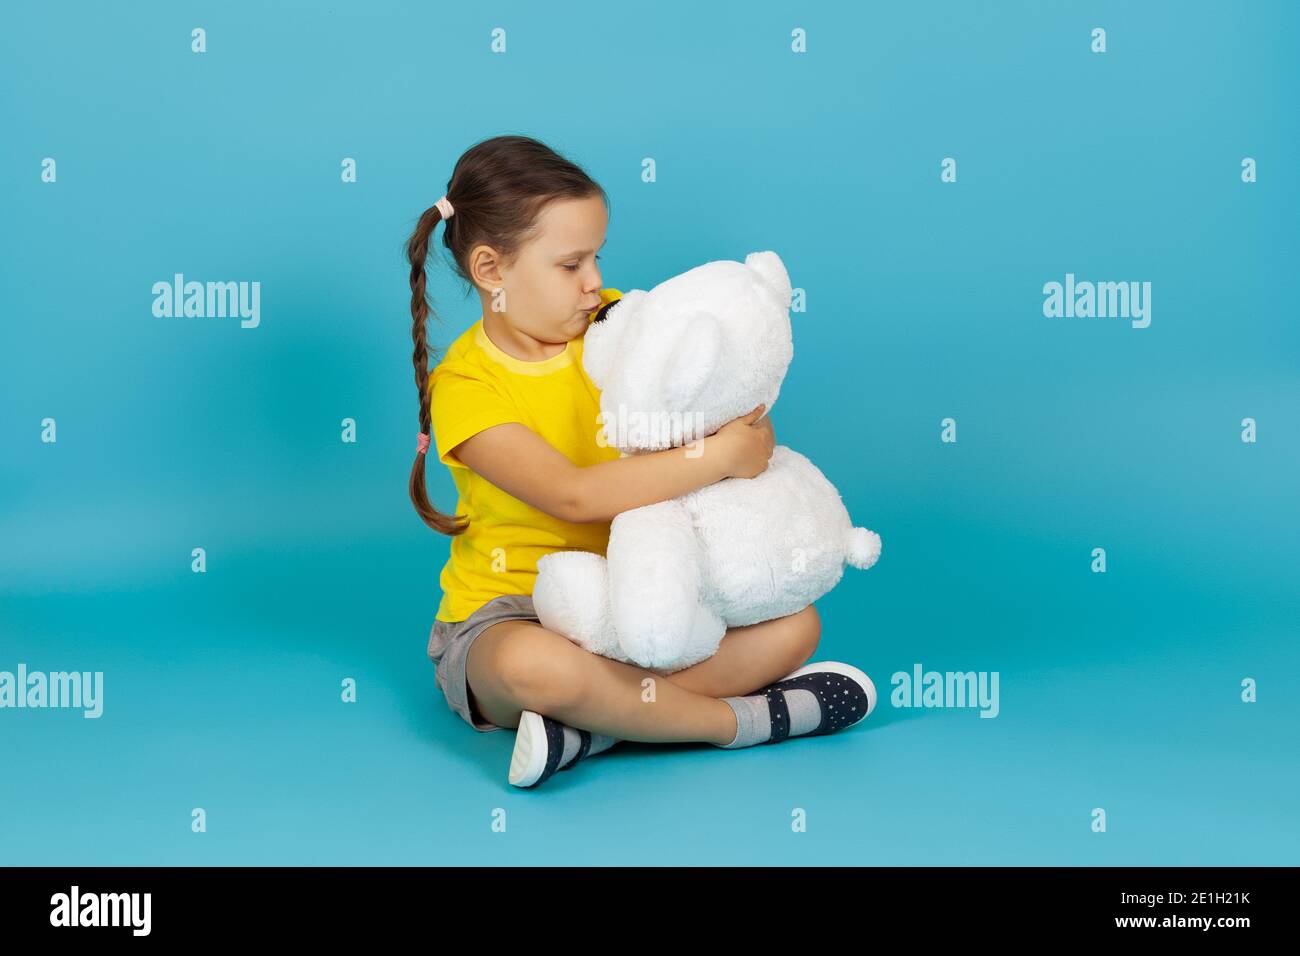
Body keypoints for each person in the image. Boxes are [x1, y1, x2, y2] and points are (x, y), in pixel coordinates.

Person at [406, 134, 876, 788]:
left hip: (644, 596)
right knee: (538, 671)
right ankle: (733, 722)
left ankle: (589, 729)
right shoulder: (467, 386)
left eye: (598, 257)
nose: (594, 281)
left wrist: (745, 435)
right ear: (491, 272)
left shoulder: (621, 327)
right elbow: (572, 496)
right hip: (507, 613)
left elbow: (722, 407)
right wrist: (717, 457)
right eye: (570, 265)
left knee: (797, 626)